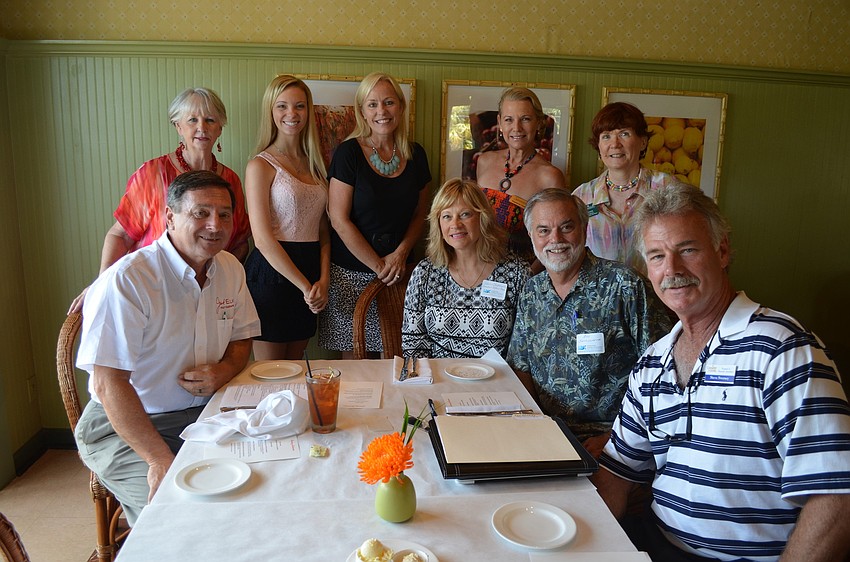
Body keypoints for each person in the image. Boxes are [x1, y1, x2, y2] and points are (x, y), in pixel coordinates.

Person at [593, 182, 850, 561]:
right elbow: (618, 472)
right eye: (657, 256)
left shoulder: (782, 350)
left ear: (722, 250)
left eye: (688, 250)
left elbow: (836, 495)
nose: (673, 269)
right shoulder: (652, 362)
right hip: (659, 545)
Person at [74, 171, 261, 526]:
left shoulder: (230, 268)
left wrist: (224, 370)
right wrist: (158, 460)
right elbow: (107, 384)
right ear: (170, 217)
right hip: (126, 427)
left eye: (224, 215)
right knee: (177, 518)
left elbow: (241, 337)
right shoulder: (130, 280)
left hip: (204, 417)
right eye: (200, 213)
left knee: (262, 492)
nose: (215, 225)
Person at [507, 188, 670, 457]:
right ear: (531, 236)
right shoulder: (531, 291)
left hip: (612, 438)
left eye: (566, 227)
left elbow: (662, 373)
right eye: (543, 230)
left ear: (584, 228)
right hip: (545, 433)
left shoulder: (625, 285)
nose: (555, 239)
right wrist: (532, 424)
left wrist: (618, 437)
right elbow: (521, 367)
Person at [68, 87, 251, 313]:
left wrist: (220, 281)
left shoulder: (230, 180)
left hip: (207, 295)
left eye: (210, 119)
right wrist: (102, 284)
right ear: (178, 126)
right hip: (151, 290)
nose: (201, 127)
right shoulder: (154, 173)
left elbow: (240, 242)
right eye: (192, 119)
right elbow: (121, 235)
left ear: (220, 128)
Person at [320, 72, 431, 358]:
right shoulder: (348, 154)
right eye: (372, 104)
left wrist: (401, 254)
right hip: (351, 273)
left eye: (389, 102)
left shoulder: (416, 155)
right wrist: (378, 265)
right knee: (356, 366)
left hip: (400, 272)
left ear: (401, 107)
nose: (381, 111)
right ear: (362, 112)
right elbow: (338, 219)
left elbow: (422, 212)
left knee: (396, 358)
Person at [244, 75, 330, 360]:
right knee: (270, 378)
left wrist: (323, 280)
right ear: (271, 111)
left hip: (310, 273)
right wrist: (306, 286)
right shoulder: (260, 165)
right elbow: (262, 239)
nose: (291, 114)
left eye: (299, 106)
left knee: (295, 373)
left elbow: (323, 230)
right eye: (282, 106)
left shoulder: (316, 165)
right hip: (272, 275)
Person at [401, 178, 530, 358]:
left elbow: (523, 344)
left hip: (496, 381)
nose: (455, 224)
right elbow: (413, 342)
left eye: (465, 214)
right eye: (447, 216)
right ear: (439, 223)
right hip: (439, 381)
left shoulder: (515, 272)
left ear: (482, 218)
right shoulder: (425, 273)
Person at [573, 102, 675, 274]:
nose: (615, 144)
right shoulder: (581, 196)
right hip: (599, 298)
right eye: (606, 136)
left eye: (624, 134)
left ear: (642, 142)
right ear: (598, 145)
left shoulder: (667, 188)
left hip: (654, 296)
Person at [475, 87, 566, 267]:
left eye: (525, 119)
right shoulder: (483, 161)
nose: (516, 128)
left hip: (522, 274)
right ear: (500, 122)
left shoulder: (550, 177)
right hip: (479, 269)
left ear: (539, 123)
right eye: (509, 119)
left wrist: (527, 278)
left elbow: (554, 240)